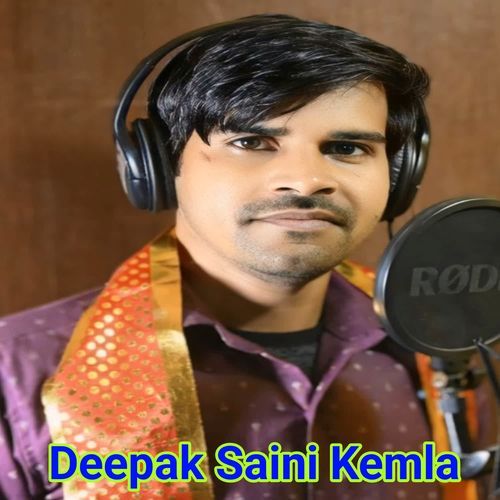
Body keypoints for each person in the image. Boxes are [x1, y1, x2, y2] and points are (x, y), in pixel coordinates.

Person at [0, 14, 494, 500]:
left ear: (399, 177)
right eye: (252, 142)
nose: (305, 180)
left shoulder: (449, 351)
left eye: (346, 147)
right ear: (161, 165)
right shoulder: (19, 372)